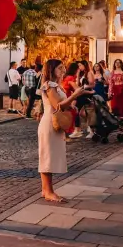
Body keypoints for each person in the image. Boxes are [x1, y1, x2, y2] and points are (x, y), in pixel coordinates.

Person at [38, 59, 89, 203]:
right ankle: (48, 191)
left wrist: (72, 105)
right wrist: (74, 96)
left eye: (63, 68)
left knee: (51, 155)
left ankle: (45, 189)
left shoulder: (56, 85)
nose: (63, 70)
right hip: (49, 123)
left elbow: (62, 105)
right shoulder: (49, 85)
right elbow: (57, 105)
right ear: (51, 69)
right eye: (60, 68)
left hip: (55, 123)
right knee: (48, 156)